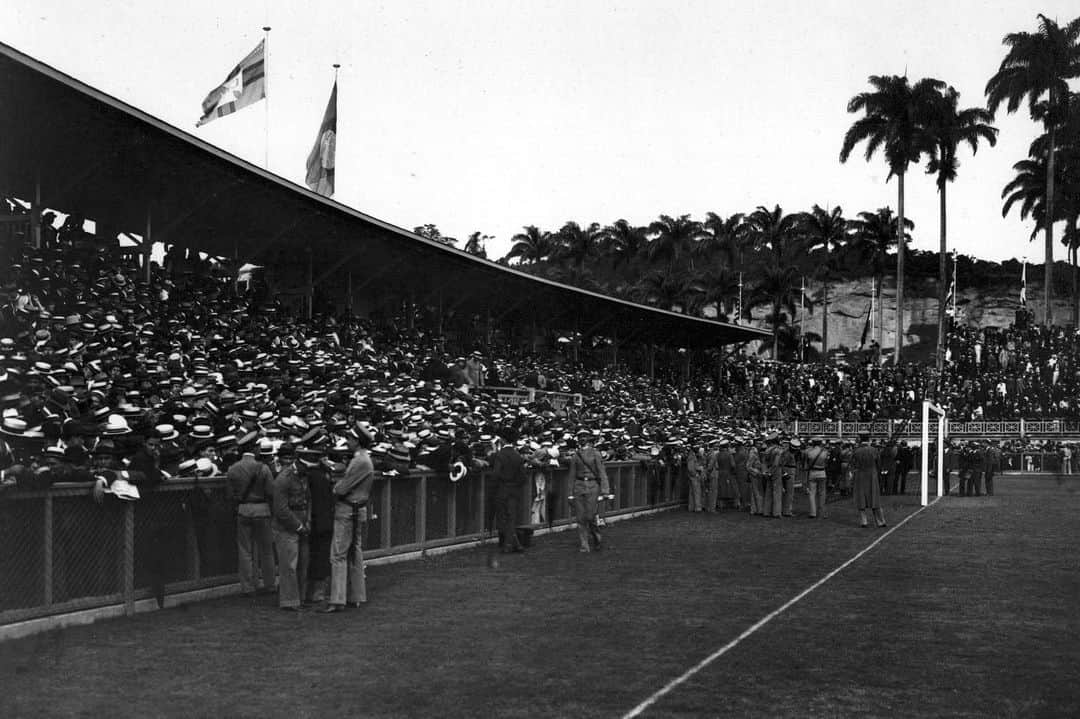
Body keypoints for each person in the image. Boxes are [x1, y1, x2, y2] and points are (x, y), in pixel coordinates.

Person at [322, 427, 376, 613]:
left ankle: (337, 600)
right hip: (357, 509)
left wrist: (334, 483)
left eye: (350, 438)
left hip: (347, 509)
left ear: (358, 441)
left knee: (338, 554)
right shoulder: (362, 459)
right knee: (355, 553)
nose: (348, 441)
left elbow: (341, 489)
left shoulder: (359, 461)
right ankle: (356, 596)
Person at [225, 445, 276, 596]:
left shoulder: (233, 468)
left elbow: (229, 494)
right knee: (267, 551)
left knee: (244, 550)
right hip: (262, 509)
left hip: (243, 510)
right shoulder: (264, 468)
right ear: (255, 450)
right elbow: (271, 492)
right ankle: (270, 584)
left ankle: (247, 587)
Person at [270, 443, 310, 611]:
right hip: (287, 526)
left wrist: (306, 523)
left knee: (302, 563)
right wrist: (299, 526)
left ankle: (300, 598)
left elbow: (307, 500)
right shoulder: (283, 479)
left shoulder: (303, 475)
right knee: (289, 565)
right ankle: (289, 601)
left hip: (301, 522)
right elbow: (281, 510)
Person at [568, 430, 610, 552]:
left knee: (590, 516)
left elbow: (602, 472)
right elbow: (572, 475)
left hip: (592, 486)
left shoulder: (595, 453)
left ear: (588, 439)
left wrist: (605, 490)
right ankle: (584, 545)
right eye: (580, 437)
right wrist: (570, 493)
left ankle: (597, 537)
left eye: (584, 437)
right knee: (580, 517)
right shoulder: (576, 455)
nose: (582, 439)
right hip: (579, 486)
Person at [490, 429, 527, 553]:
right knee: (511, 518)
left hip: (502, 488)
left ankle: (508, 545)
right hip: (514, 490)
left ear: (503, 440)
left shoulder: (500, 455)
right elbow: (523, 477)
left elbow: (495, 474)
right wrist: (515, 485)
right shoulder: (517, 455)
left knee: (502, 518)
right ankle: (515, 544)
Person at [852, 433, 886, 528]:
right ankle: (880, 521)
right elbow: (879, 464)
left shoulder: (856, 451)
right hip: (872, 475)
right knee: (875, 498)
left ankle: (864, 521)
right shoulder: (874, 450)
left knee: (861, 498)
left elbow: (854, 464)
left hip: (860, 475)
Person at [803, 436, 829, 519]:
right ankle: (822, 512)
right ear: (821, 443)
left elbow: (806, 464)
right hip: (822, 472)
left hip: (812, 473)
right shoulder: (825, 452)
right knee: (822, 493)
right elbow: (826, 463)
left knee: (812, 493)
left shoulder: (808, 452)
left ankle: (812, 512)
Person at [686, 444, 704, 513]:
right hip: (694, 476)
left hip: (692, 476)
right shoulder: (692, 456)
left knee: (692, 492)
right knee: (697, 492)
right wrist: (695, 473)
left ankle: (691, 507)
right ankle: (697, 507)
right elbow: (690, 468)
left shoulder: (692, 455)